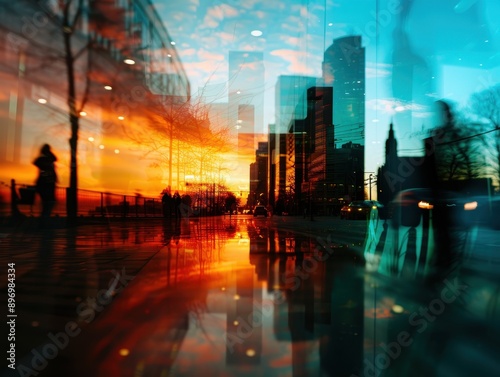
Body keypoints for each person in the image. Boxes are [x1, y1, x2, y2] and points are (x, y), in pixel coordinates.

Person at [33, 144, 58, 223]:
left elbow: (55, 158)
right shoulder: (44, 159)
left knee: (47, 201)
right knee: (48, 201)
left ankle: (44, 217)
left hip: (46, 182)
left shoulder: (45, 159)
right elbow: (54, 159)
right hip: (46, 182)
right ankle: (45, 218)